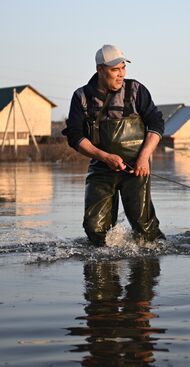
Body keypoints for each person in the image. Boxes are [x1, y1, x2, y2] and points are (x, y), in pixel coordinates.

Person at [63, 44, 165, 246]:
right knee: (95, 229)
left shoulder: (136, 90)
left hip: (137, 168)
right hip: (101, 167)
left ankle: (152, 264)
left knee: (145, 229)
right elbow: (74, 136)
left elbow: (156, 124)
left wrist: (144, 158)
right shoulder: (81, 97)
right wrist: (104, 157)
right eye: (114, 69)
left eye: (123, 68)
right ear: (100, 69)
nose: (121, 74)